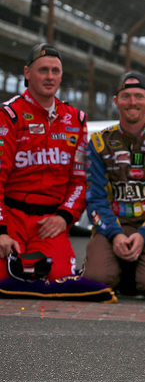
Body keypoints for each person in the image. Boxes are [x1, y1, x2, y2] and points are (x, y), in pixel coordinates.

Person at [83, 72, 145, 300]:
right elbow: (95, 198)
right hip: (114, 225)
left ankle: (141, 269)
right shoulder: (98, 142)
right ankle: (123, 269)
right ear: (116, 101)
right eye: (126, 96)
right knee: (95, 282)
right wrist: (114, 234)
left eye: (139, 96)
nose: (132, 102)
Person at [0, 43, 88, 281]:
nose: (50, 77)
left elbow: (80, 180)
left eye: (55, 71)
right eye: (43, 70)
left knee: (60, 278)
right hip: (11, 218)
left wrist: (64, 217)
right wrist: (1, 230)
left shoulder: (76, 120)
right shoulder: (8, 116)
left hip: (49, 222)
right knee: (4, 276)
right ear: (27, 73)